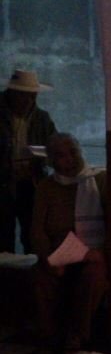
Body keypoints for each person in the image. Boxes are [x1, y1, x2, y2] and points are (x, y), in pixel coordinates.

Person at [31, 133, 107, 351]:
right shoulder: (47, 187)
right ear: (52, 161)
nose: (70, 160)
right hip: (59, 253)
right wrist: (49, 258)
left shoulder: (100, 181)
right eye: (61, 156)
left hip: (93, 251)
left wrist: (100, 251)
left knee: (93, 276)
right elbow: (37, 231)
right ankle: (49, 337)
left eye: (73, 152)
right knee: (41, 277)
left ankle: (77, 336)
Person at [0, 70, 57, 253]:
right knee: (3, 236)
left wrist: (43, 158)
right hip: (2, 184)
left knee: (33, 235)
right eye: (24, 96)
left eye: (32, 96)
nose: (29, 101)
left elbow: (54, 147)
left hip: (31, 184)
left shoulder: (42, 118)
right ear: (11, 94)